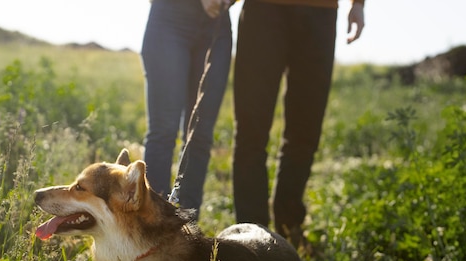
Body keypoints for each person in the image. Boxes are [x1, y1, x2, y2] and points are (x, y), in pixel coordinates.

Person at [232, 0, 365, 248]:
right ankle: (251, 240)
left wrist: (358, 4)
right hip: (263, 10)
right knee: (251, 131)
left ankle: (289, 230)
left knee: (305, 131)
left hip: (320, 12)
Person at [141, 0, 233, 218]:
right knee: (163, 131)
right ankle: (151, 224)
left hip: (217, 23)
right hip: (170, 16)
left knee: (200, 135)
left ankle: (188, 229)